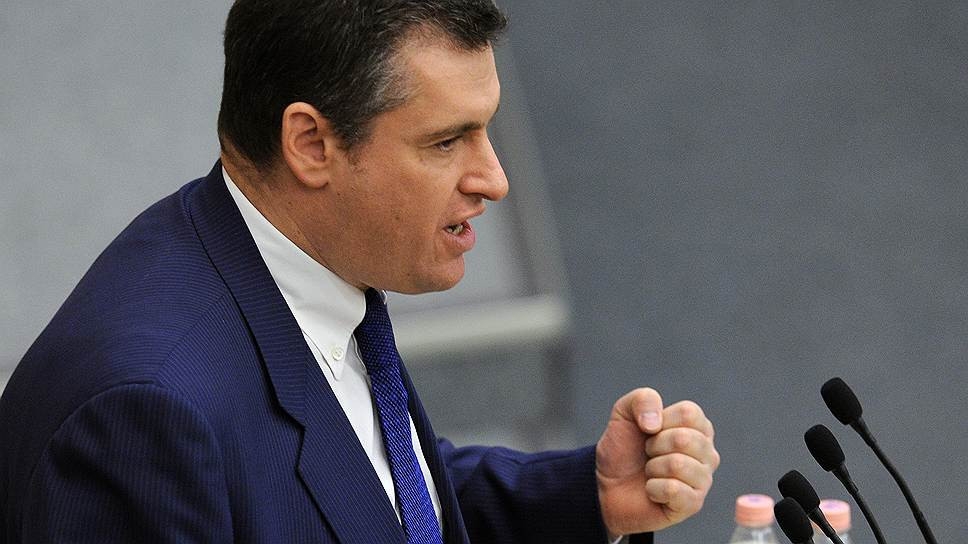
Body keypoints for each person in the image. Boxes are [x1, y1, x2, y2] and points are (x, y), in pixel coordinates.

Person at [0, 1, 719, 542]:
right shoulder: (143, 417)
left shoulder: (298, 267)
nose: (494, 179)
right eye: (446, 141)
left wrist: (586, 495)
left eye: (486, 129)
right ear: (312, 143)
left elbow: (362, 492)